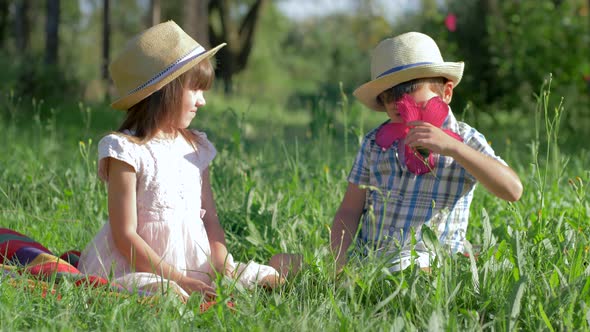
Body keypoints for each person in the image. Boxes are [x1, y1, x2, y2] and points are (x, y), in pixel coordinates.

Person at [78, 21, 282, 301]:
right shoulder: (125, 151)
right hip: (138, 264)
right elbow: (125, 235)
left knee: (264, 279)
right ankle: (174, 288)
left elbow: (210, 218)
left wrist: (222, 265)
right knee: (166, 294)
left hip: (195, 263)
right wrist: (180, 279)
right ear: (165, 90)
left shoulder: (196, 147)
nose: (203, 101)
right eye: (195, 90)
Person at [330, 32, 523, 272]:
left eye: (418, 103)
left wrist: (454, 148)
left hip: (429, 262)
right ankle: (283, 277)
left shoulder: (464, 140)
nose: (408, 114)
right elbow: (349, 209)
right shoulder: (374, 144)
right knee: (282, 263)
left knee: (412, 271)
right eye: (396, 108)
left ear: (446, 93)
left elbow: (512, 190)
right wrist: (337, 259)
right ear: (382, 102)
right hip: (369, 258)